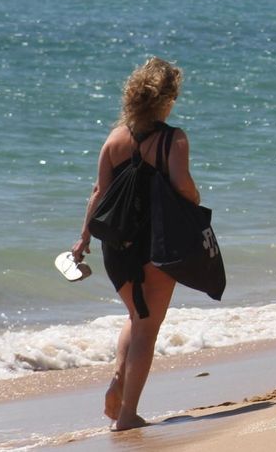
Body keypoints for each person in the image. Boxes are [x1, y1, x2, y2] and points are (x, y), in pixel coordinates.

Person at [71, 58, 198, 432]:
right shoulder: (174, 138)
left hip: (116, 245)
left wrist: (83, 238)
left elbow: (98, 193)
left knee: (135, 316)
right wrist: (196, 199)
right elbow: (183, 186)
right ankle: (127, 416)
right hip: (158, 243)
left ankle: (118, 380)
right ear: (168, 99)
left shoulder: (114, 139)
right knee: (148, 325)